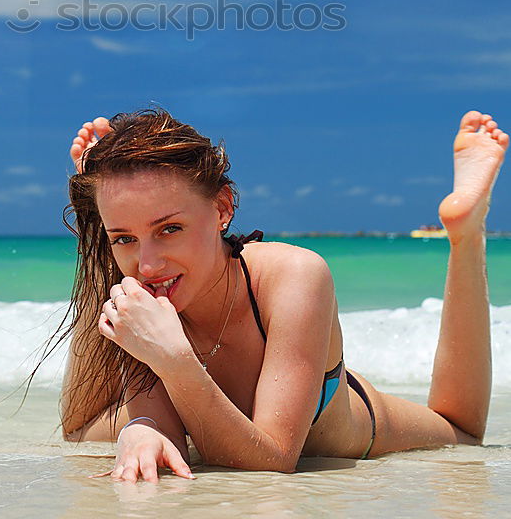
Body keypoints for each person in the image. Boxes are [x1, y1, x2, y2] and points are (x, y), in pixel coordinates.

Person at [55, 107, 507, 482]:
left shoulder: (295, 274)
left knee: (462, 432)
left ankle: (466, 233)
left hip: (334, 424)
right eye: (124, 237)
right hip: (206, 416)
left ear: (222, 208)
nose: (148, 266)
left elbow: (272, 460)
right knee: (80, 432)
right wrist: (141, 428)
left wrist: (174, 361)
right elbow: (91, 427)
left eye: (169, 229)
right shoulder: (139, 297)